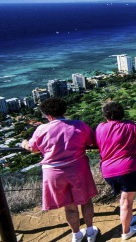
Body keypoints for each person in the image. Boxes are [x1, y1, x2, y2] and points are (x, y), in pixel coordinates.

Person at [21, 97, 99, 242]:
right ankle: (90, 232)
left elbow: (32, 148)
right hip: (77, 167)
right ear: (65, 110)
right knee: (86, 201)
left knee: (69, 206)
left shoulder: (41, 129)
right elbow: (91, 141)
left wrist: (24, 143)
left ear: (47, 115)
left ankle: (76, 235)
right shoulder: (79, 125)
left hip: (53, 172)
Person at [95, 102, 136, 240]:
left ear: (106, 116)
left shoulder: (100, 128)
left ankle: (128, 219)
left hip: (107, 171)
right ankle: (126, 231)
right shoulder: (130, 126)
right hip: (127, 169)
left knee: (124, 200)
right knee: (126, 202)